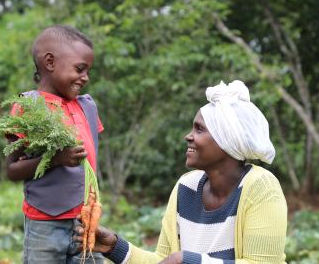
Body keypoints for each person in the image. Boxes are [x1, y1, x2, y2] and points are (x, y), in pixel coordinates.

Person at [74, 80, 288, 263]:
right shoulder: (187, 187)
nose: (188, 136)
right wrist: (115, 247)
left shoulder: (260, 187)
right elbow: (165, 260)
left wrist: (188, 260)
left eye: (199, 129)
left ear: (227, 141)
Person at [6, 25, 105, 263]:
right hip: (45, 225)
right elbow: (12, 170)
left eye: (88, 71)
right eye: (80, 69)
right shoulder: (28, 107)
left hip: (85, 222)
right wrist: (55, 159)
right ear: (50, 62)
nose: (86, 77)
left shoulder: (87, 106)